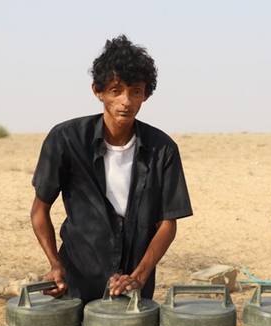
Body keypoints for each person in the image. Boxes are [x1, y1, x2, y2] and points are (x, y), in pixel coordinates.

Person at [30, 35, 193, 303]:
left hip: (133, 289)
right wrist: (55, 265)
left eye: (136, 91)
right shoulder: (66, 140)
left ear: (146, 95)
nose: (126, 101)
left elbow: (167, 224)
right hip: (76, 282)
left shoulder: (163, 149)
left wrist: (138, 277)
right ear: (98, 91)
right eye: (116, 90)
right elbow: (39, 209)